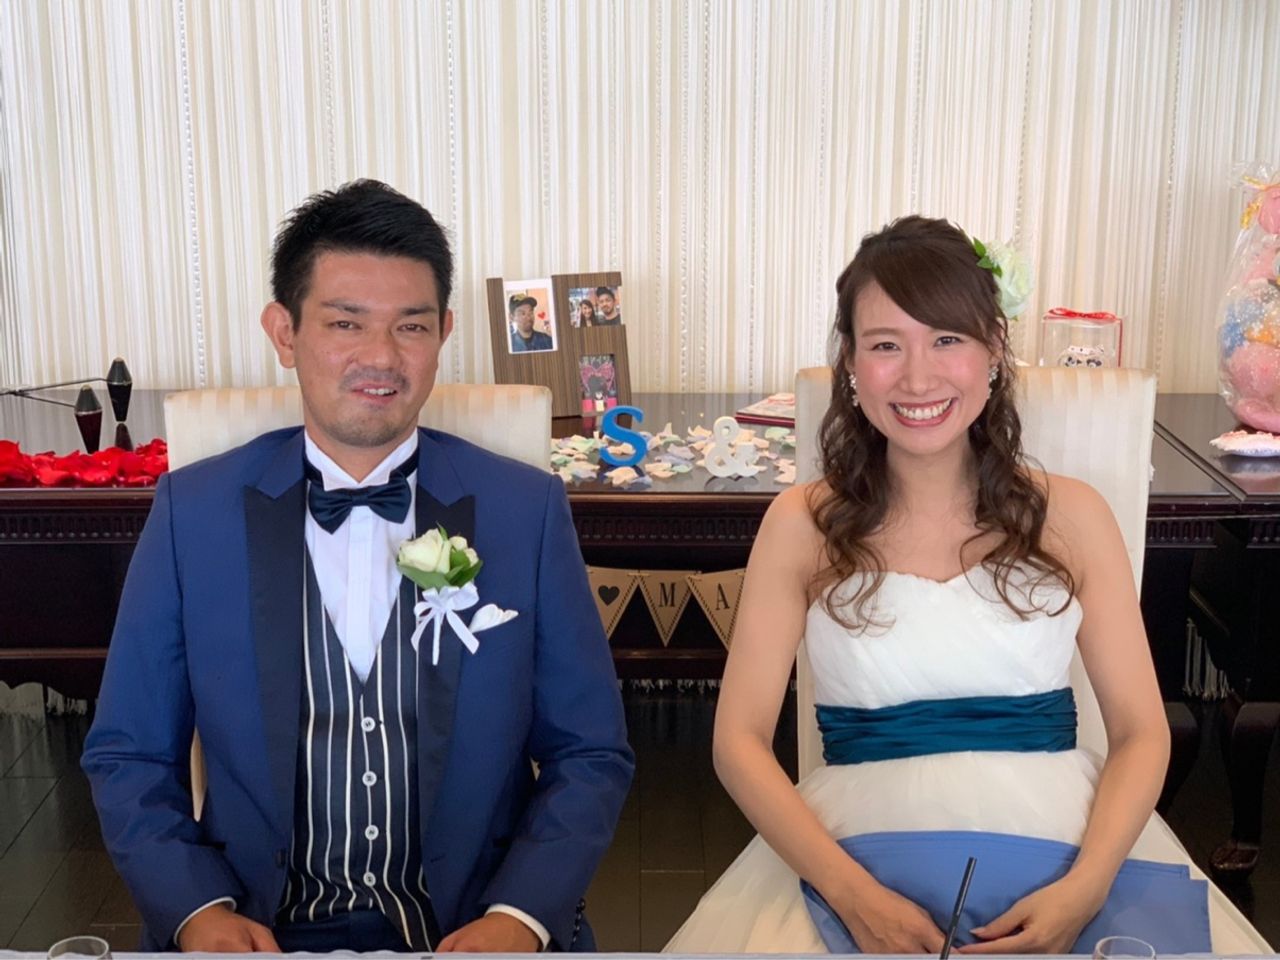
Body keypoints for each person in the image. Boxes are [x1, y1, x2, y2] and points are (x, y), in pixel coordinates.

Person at [666, 216, 1265, 955]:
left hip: (1070, 849)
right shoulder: (801, 524)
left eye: (947, 339)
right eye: (886, 345)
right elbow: (738, 741)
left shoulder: (1074, 516)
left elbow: (1141, 734)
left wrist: (1086, 888)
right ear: (850, 362)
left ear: (994, 352)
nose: (918, 379)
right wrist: (854, 899)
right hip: (850, 856)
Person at [82, 179, 633, 954]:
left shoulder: (525, 511)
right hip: (255, 927)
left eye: (411, 326)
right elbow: (130, 753)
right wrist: (198, 911)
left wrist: (520, 917)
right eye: (346, 323)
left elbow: (590, 751)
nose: (381, 357)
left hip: (474, 927)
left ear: (443, 332)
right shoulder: (191, 515)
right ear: (284, 332)